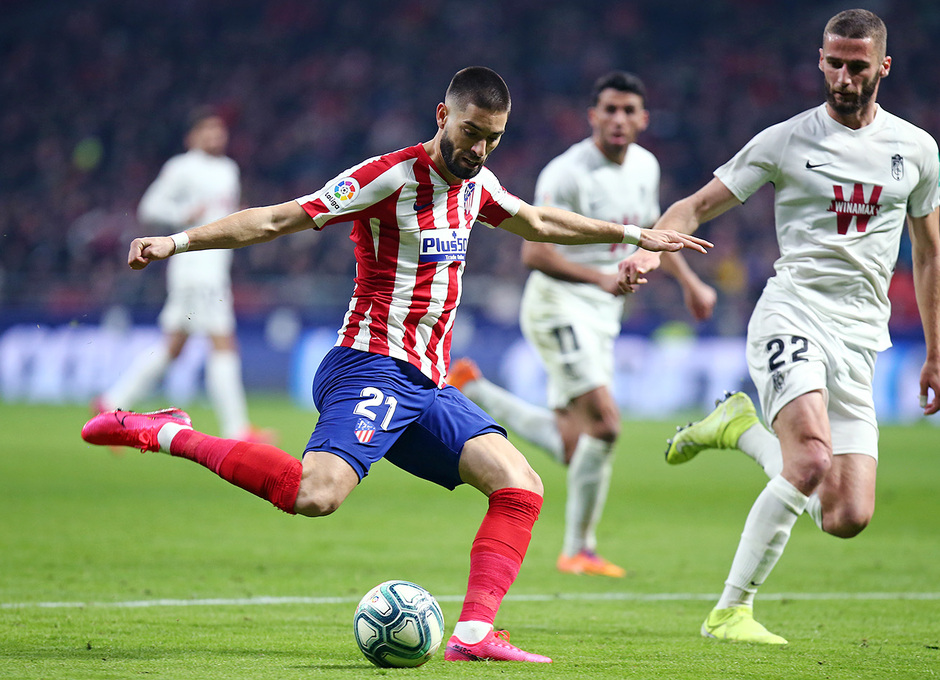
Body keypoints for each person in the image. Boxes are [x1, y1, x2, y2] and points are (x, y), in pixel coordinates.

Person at [81, 67, 711, 663]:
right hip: (370, 365)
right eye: (470, 132)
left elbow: (539, 220)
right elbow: (277, 219)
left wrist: (635, 236)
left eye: (492, 139)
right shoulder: (390, 176)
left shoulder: (479, 185)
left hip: (426, 384)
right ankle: (167, 431)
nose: (478, 150)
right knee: (315, 495)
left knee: (520, 486)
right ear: (443, 116)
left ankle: (474, 634)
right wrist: (176, 242)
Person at [620, 9, 940, 644]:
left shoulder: (917, 150)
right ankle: (730, 611)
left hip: (860, 338)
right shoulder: (786, 140)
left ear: (883, 66)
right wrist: (651, 248)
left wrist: (935, 350)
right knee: (813, 457)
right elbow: (695, 205)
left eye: (857, 66)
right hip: (792, 314)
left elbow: (929, 253)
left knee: (846, 515)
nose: (843, 78)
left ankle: (739, 429)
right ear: (820, 60)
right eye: (833, 63)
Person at [448, 71, 716, 578]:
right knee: (606, 425)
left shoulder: (646, 166)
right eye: (609, 109)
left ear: (643, 119)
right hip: (559, 307)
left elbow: (653, 233)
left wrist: (689, 282)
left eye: (628, 110)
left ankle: (474, 389)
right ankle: (579, 550)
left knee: (578, 444)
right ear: (593, 116)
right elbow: (534, 254)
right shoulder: (566, 173)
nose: (618, 119)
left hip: (602, 314)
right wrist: (600, 280)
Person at [94, 109, 269, 443]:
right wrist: (182, 213)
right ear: (192, 136)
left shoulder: (228, 169)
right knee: (223, 342)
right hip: (195, 268)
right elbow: (149, 207)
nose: (215, 136)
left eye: (219, 130)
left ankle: (110, 403)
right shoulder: (181, 167)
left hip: (215, 266)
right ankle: (237, 429)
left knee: (174, 347)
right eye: (207, 130)